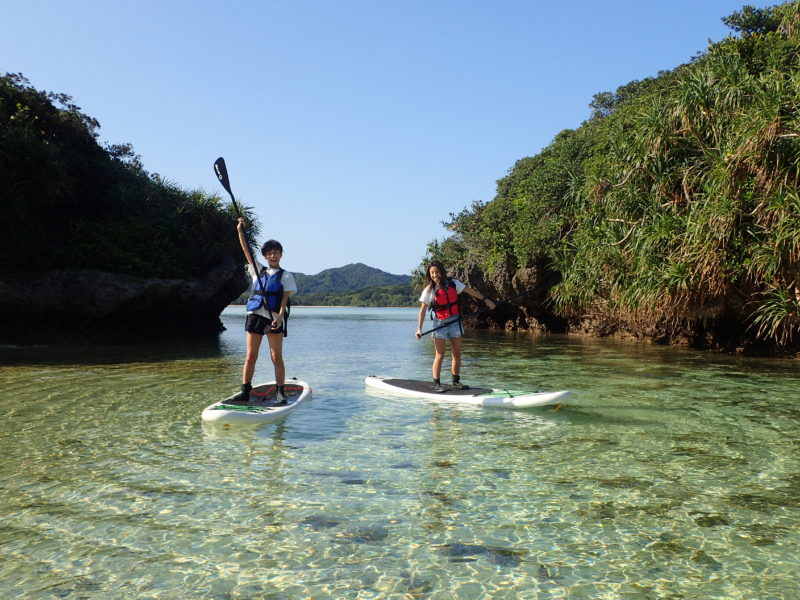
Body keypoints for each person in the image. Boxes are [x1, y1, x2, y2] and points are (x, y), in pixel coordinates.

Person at [232, 217, 297, 404]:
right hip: (255, 317)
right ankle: (245, 391)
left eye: (276, 252)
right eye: (270, 253)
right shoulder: (257, 270)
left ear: (281, 255)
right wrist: (240, 231)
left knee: (276, 356)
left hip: (274, 318)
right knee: (251, 356)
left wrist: (280, 317)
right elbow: (246, 250)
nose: (273, 256)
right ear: (265, 255)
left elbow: (284, 300)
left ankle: (280, 391)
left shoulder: (286, 276)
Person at [415, 260, 496, 392]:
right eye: (432, 273)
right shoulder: (429, 290)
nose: (435, 275)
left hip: (454, 321)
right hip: (439, 323)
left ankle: (456, 381)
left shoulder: (453, 283)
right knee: (440, 355)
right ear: (429, 275)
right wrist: (419, 329)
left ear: (441, 271)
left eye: (437, 272)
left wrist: (486, 300)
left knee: (456, 353)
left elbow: (470, 291)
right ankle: (437, 383)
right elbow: (423, 310)